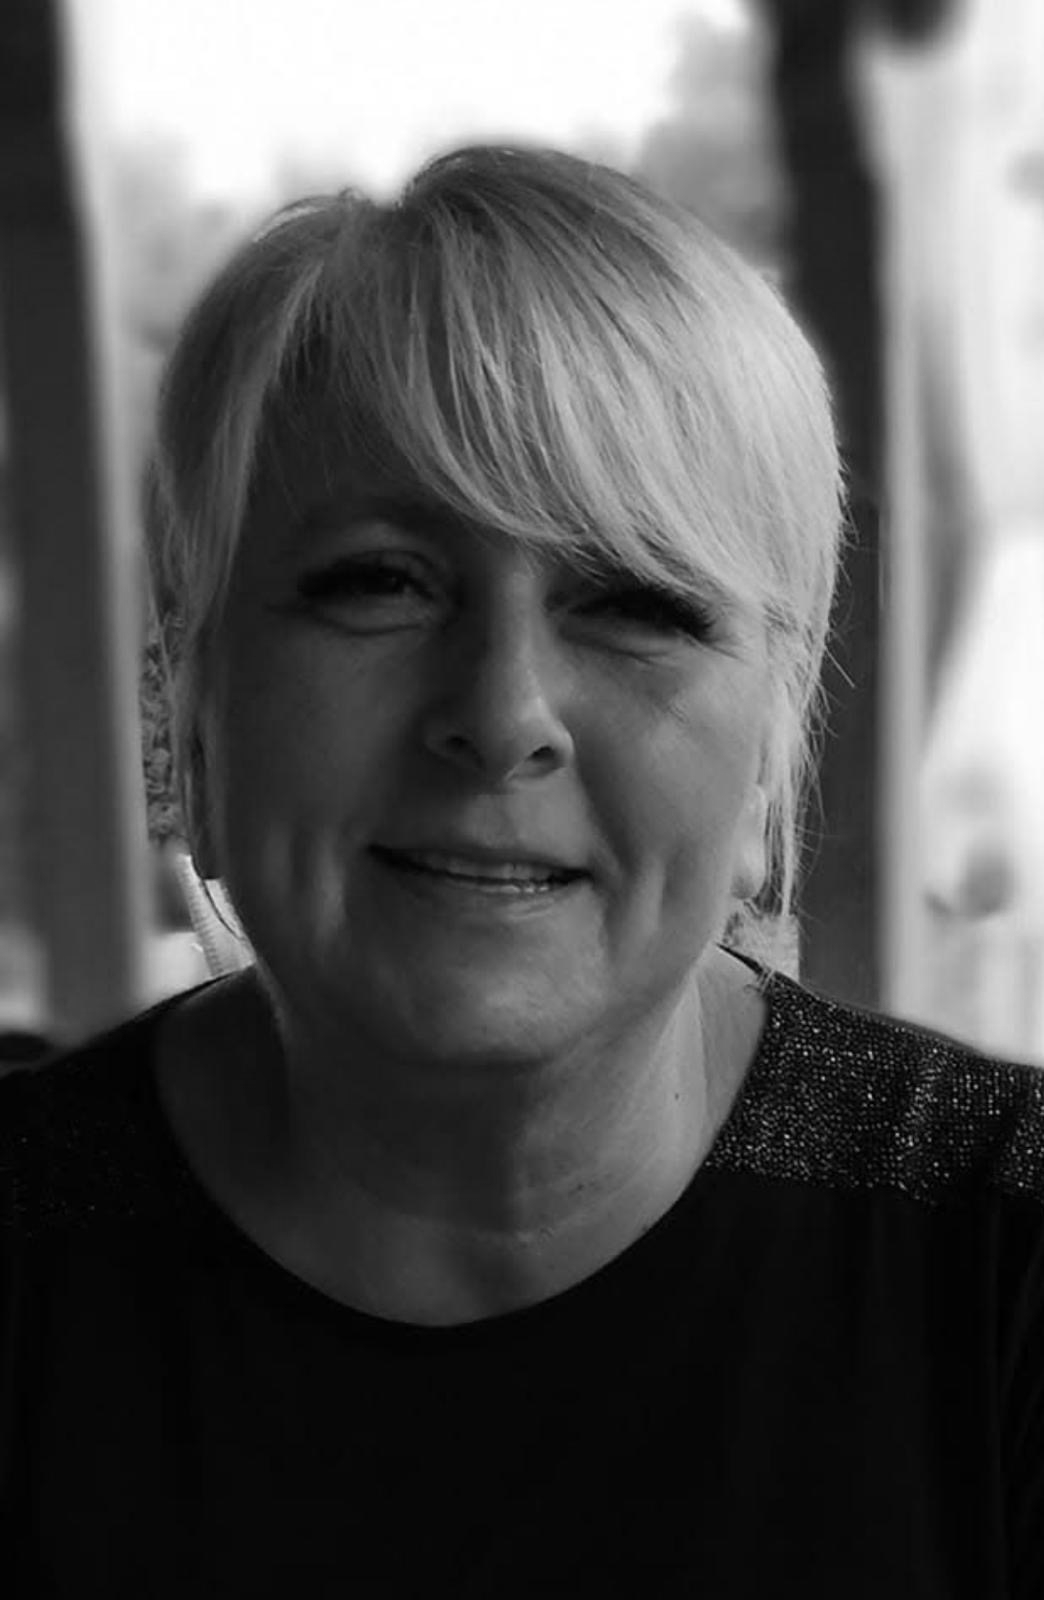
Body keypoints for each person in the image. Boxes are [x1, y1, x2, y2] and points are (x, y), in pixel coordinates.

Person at [1, 142, 1041, 1599]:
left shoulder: (1003, 1266)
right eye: (380, 582)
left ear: (766, 757)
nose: (501, 716)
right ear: (189, 702)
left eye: (634, 603)